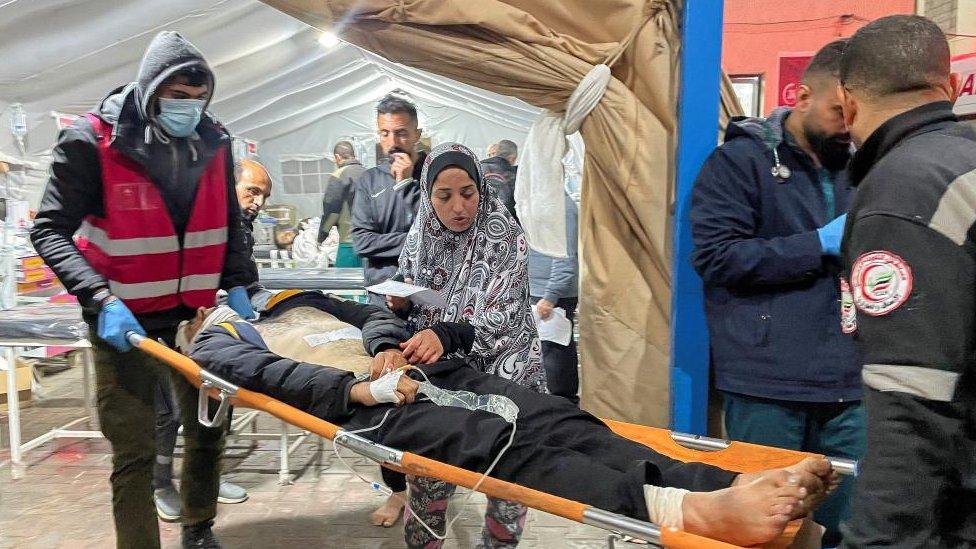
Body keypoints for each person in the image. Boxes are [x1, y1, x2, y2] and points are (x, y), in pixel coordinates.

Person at [179, 291, 837, 548]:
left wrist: (387, 338)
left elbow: (371, 311)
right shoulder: (218, 339)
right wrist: (361, 390)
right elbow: (274, 378)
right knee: (512, 453)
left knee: (564, 422)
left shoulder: (292, 299)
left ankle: (716, 483)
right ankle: (689, 511)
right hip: (385, 409)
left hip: (424, 372)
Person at [29, 31, 257, 549]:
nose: (189, 109)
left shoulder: (214, 142)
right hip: (123, 322)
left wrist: (239, 282)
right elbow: (48, 229)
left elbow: (229, 222)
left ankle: (198, 530)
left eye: (199, 98)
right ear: (150, 91)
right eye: (178, 97)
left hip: (196, 318)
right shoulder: (92, 143)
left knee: (208, 430)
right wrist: (99, 298)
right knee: (133, 449)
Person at [689, 39, 861, 546]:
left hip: (851, 384)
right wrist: (818, 245)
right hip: (769, 385)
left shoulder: (860, 168)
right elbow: (718, 258)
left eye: (856, 112)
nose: (847, 124)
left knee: (850, 528)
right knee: (766, 527)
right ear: (803, 96)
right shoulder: (739, 164)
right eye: (837, 110)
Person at [835, 16, 974, 548]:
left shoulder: (904, 195)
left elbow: (911, 400)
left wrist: (875, 542)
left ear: (848, 103)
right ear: (953, 87)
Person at [381, 143, 544, 548]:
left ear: (481, 189)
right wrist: (400, 301)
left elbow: (504, 314)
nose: (458, 207)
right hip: (441, 382)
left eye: (468, 193)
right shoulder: (422, 233)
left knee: (506, 485)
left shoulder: (504, 237)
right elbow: (410, 284)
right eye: (444, 195)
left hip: (505, 377)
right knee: (429, 483)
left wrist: (448, 334)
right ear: (428, 194)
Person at [152, 159, 271, 521]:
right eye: (252, 191)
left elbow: (241, 274)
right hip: (173, 324)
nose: (258, 202)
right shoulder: (199, 218)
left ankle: (209, 476)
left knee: (218, 401)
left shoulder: (240, 229)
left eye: (264, 196)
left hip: (215, 330)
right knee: (169, 410)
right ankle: (159, 483)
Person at [350, 94, 425, 301]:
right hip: (383, 295)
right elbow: (362, 242)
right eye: (385, 134)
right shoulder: (369, 180)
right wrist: (414, 241)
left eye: (401, 133)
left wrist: (406, 184)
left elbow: (440, 234)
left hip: (429, 295)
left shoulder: (435, 174)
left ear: (417, 134)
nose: (393, 142)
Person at [528, 191, 580, 404]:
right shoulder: (541, 202)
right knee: (546, 357)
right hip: (539, 294)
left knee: (556, 361)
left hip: (551, 299)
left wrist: (550, 296)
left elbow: (565, 258)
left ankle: (565, 410)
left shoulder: (561, 207)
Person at [318, 141, 366, 268]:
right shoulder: (369, 174)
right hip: (371, 244)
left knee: (346, 285)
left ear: (338, 157)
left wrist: (321, 236)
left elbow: (331, 211)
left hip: (349, 244)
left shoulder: (339, 176)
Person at [481, 139, 518, 222]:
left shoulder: (477, 167)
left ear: (496, 152)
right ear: (512, 158)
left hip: (480, 225)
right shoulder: (515, 174)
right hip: (507, 226)